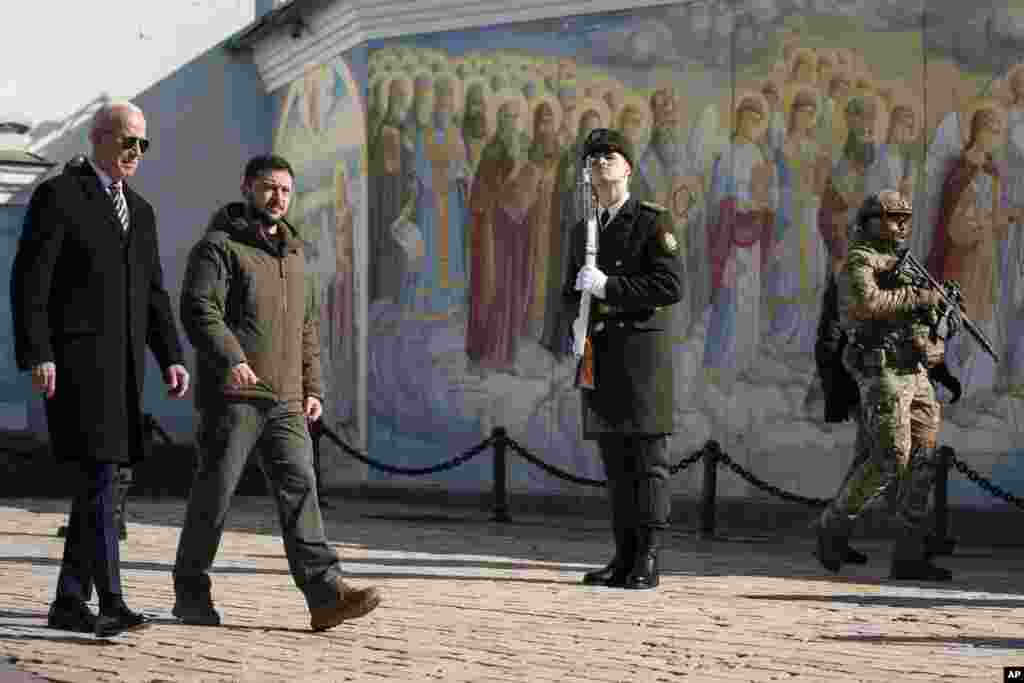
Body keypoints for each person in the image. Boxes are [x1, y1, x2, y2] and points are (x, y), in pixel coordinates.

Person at [173, 155, 381, 630]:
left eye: (286, 191)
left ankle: (326, 595)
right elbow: (199, 308)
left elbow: (307, 326)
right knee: (216, 496)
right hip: (235, 397)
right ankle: (191, 592)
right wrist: (233, 359)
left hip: (286, 401)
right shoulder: (219, 247)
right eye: (269, 188)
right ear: (247, 187)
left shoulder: (294, 252)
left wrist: (313, 387)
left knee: (301, 489)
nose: (278, 198)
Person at [11, 101, 190, 637]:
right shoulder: (60, 197)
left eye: (143, 143)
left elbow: (155, 294)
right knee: (101, 480)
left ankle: (69, 601)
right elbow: (30, 283)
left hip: (127, 374)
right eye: (127, 140)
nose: (136, 152)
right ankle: (110, 600)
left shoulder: (142, 211)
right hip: (76, 368)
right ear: (99, 139)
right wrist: (38, 352)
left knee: (101, 483)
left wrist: (172, 356)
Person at [815, 189, 958, 582]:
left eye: (905, 218)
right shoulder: (859, 260)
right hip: (882, 370)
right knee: (891, 456)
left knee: (923, 460)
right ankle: (832, 526)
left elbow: (920, 317)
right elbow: (867, 305)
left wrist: (941, 322)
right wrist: (919, 296)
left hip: (915, 369)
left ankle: (909, 554)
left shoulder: (905, 263)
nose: (901, 225)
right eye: (893, 217)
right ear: (871, 221)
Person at [564, 129, 684, 589]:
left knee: (647, 461)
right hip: (602, 356)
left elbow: (670, 287)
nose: (599, 165)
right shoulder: (584, 230)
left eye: (608, 157)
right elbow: (566, 293)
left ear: (628, 167)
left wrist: (609, 288)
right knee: (616, 464)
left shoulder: (653, 222)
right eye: (592, 159)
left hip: (642, 360)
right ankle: (622, 555)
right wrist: (573, 325)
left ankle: (648, 559)